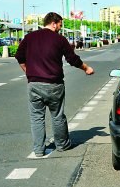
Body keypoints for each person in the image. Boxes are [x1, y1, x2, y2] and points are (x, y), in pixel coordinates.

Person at [15, 12, 94, 157]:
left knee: (36, 117)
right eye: (60, 25)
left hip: (34, 84)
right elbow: (72, 59)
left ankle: (39, 150)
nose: (60, 28)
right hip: (54, 84)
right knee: (57, 116)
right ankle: (62, 145)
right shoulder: (60, 39)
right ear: (53, 23)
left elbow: (19, 57)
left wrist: (28, 72)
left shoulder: (29, 37)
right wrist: (86, 68)